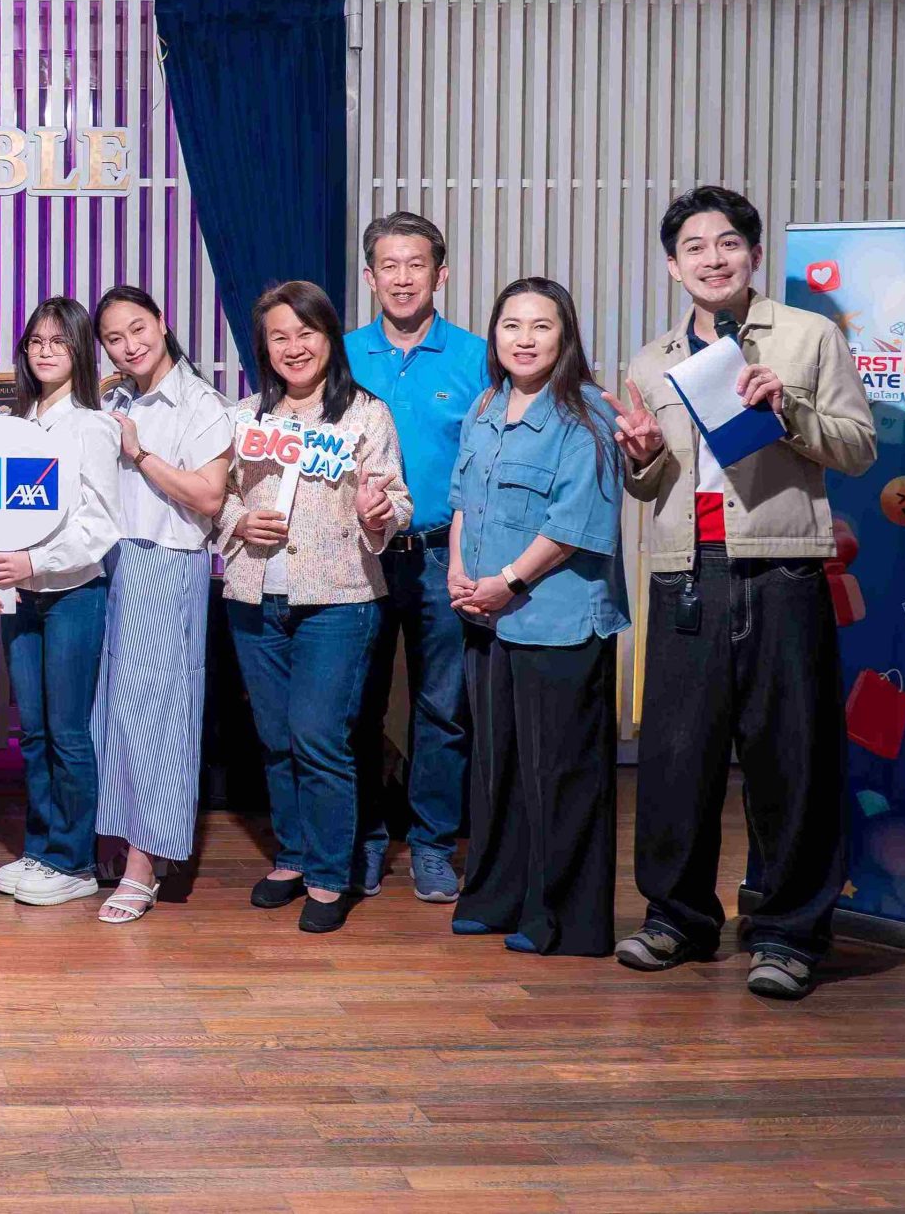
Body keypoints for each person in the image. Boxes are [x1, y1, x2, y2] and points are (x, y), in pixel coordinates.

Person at [608, 185, 876, 1000]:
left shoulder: (807, 336)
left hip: (782, 567)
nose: (712, 258)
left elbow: (858, 447)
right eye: (694, 247)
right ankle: (678, 919)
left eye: (728, 243)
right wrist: (641, 457)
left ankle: (789, 933)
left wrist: (786, 407)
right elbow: (649, 481)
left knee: (790, 756)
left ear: (755, 254)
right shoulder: (650, 360)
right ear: (672, 264)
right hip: (684, 571)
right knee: (675, 757)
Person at [217, 281, 413, 934]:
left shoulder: (365, 415)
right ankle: (293, 856)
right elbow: (215, 496)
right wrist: (237, 521)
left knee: (318, 737)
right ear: (264, 348)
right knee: (275, 738)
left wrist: (378, 513)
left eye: (306, 333)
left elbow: (397, 500)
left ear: (329, 337)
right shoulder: (243, 418)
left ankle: (331, 873)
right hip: (254, 598)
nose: (294, 347)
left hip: (338, 599)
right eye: (280, 336)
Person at [446, 277, 628, 957]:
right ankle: (496, 897)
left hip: (558, 618)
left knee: (561, 772)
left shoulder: (587, 414)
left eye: (541, 326)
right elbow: (464, 498)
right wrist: (458, 570)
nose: (524, 339)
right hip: (486, 614)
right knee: (498, 768)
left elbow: (576, 524)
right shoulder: (485, 404)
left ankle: (564, 920)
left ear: (565, 335)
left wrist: (507, 581)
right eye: (511, 325)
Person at [345, 212, 488, 903]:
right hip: (358, 557)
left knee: (443, 708)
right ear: (369, 277)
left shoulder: (478, 357)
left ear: (441, 273)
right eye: (389, 266)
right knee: (356, 706)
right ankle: (367, 839)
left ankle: (433, 845)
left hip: (440, 555)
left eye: (416, 264)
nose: (403, 278)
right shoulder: (341, 354)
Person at [88, 285, 232, 925]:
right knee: (111, 714)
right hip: (111, 562)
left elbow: (208, 497)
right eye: (114, 338)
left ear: (163, 323)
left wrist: (141, 454)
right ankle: (119, 839)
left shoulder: (201, 404)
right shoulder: (112, 400)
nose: (130, 345)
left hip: (167, 563)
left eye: (138, 329)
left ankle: (146, 865)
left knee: (159, 718)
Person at [0, 298, 122, 908]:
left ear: (79, 351)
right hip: (20, 597)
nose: (44, 351)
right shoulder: (15, 425)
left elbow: (101, 524)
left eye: (58, 342)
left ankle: (74, 859)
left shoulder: (92, 426)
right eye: (36, 341)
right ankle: (40, 849)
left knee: (67, 733)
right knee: (33, 732)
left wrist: (35, 563)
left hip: (73, 595)